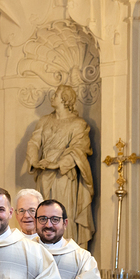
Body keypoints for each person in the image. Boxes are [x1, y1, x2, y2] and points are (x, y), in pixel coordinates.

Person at [25, 84, 94, 245]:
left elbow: (79, 149)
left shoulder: (78, 123)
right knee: (42, 214)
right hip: (44, 174)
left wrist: (57, 164)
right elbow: (34, 142)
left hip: (64, 175)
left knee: (61, 212)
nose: (52, 97)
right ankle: (42, 250)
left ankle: (65, 249)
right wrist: (34, 161)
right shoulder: (44, 121)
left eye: (56, 95)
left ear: (65, 99)